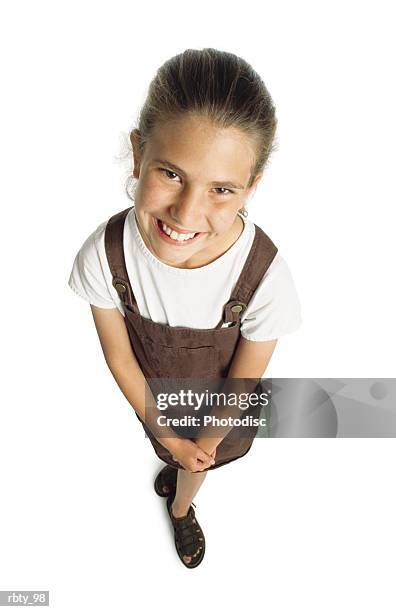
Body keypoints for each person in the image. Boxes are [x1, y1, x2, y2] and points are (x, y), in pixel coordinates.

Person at [68, 47, 302, 568]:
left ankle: (180, 508)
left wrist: (199, 445)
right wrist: (168, 434)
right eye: (171, 173)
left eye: (221, 189)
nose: (187, 212)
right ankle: (175, 472)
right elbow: (121, 358)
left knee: (197, 466)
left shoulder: (265, 276)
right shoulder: (104, 256)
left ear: (251, 188)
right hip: (156, 403)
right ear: (138, 154)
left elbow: (243, 380)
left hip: (223, 411)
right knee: (174, 452)